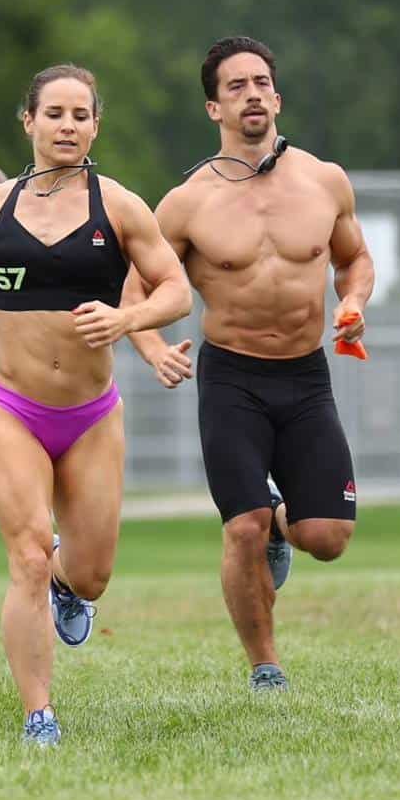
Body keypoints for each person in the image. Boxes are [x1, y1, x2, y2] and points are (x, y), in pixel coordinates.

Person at [0, 65, 190, 744]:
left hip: (92, 413)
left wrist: (125, 321)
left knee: (90, 571)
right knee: (26, 555)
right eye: (53, 113)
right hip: (12, 408)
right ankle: (38, 711)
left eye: (80, 115)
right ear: (27, 122)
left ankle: (67, 582)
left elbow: (175, 290)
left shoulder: (118, 205)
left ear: (95, 125)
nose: (67, 126)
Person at [124, 36, 373, 691]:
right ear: (214, 108)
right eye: (236, 86)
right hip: (232, 376)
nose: (252, 93)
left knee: (329, 535)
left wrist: (353, 300)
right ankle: (265, 666)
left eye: (261, 82)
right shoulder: (186, 202)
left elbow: (354, 258)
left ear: (278, 97)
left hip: (306, 373)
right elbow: (134, 290)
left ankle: (282, 524)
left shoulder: (325, 180)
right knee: (240, 527)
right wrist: (152, 348)